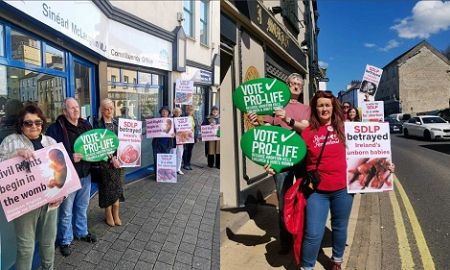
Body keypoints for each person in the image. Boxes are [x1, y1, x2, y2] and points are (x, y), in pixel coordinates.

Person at [267, 91, 392, 270]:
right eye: (320, 105)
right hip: (317, 192)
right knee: (313, 233)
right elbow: (291, 155)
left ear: (333, 107)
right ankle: (307, 267)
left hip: (343, 190)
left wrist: (384, 165)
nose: (324, 108)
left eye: (327, 105)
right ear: (315, 109)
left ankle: (337, 261)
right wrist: (276, 166)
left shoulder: (345, 128)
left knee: (340, 228)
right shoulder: (307, 132)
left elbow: (368, 150)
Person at [248, 73, 310, 254]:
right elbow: (265, 130)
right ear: (287, 84)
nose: (296, 86)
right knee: (284, 202)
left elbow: (305, 127)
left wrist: (287, 118)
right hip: (281, 159)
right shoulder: (275, 105)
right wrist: (255, 122)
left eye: (299, 83)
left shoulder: (305, 108)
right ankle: (286, 242)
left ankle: (304, 237)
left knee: (304, 199)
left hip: (301, 157)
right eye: (293, 83)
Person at [0, 104, 64, 270]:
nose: (34, 126)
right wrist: (14, 156)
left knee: (48, 242)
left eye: (38, 122)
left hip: (50, 202)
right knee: (26, 248)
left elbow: (63, 171)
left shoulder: (50, 141)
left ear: (42, 123)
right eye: (28, 123)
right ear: (21, 125)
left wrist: (62, 194)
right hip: (25, 205)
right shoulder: (10, 142)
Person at [46, 97, 97, 257]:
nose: (76, 110)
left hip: (85, 173)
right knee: (66, 211)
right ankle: (65, 240)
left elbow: (95, 145)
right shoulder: (55, 129)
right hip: (68, 177)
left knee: (82, 206)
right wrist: (70, 156)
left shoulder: (86, 125)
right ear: (64, 111)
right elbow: (49, 153)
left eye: (77, 107)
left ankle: (81, 232)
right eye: (72, 108)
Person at [94, 98, 123, 227]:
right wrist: (112, 158)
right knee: (106, 188)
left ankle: (116, 212)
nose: (109, 111)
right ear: (102, 110)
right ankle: (108, 213)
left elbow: (124, 140)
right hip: (105, 163)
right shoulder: (98, 125)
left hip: (119, 161)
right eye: (106, 108)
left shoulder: (117, 123)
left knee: (117, 188)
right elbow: (99, 145)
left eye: (111, 108)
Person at [152, 106, 174, 173]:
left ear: (168, 113)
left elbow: (175, 132)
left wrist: (174, 135)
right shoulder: (156, 121)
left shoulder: (171, 121)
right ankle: (157, 175)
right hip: (157, 143)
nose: (164, 112)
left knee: (164, 160)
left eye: (166, 111)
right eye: (163, 111)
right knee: (156, 160)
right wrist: (142, 135)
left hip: (167, 144)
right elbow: (150, 130)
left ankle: (164, 175)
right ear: (160, 113)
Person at [182, 105, 199, 171]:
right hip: (185, 136)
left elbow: (196, 128)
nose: (190, 111)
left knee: (190, 150)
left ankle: (188, 163)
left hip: (192, 137)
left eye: (191, 110)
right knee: (185, 150)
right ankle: (185, 164)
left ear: (193, 111)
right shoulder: (183, 116)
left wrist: (197, 137)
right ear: (186, 110)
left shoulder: (194, 118)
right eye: (188, 110)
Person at [173, 107, 184, 175]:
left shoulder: (184, 119)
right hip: (173, 139)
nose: (177, 113)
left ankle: (178, 169)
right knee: (173, 153)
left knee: (180, 154)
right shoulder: (171, 119)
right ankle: (172, 168)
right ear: (174, 112)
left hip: (181, 139)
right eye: (176, 112)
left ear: (181, 113)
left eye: (179, 112)